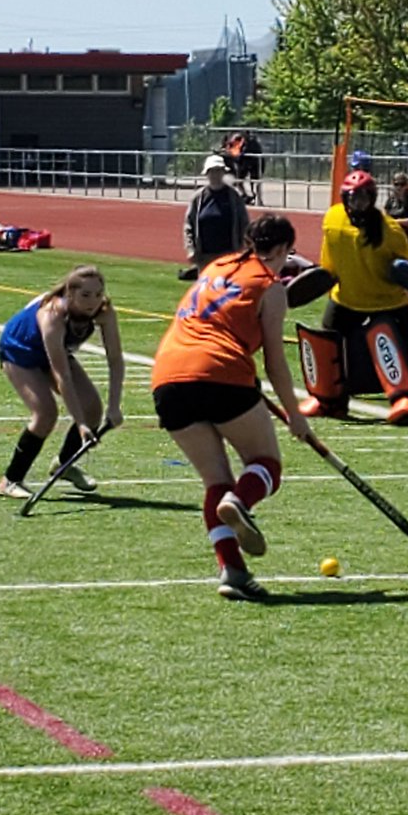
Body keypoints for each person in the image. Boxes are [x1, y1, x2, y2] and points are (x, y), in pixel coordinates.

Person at [151, 214, 311, 601]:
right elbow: (275, 359)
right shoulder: (271, 286)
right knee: (266, 463)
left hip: (167, 377)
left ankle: (232, 571)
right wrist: (295, 415)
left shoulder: (216, 265)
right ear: (285, 250)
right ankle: (239, 502)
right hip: (220, 372)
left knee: (215, 481)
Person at [300, 170, 408, 425]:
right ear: (344, 198)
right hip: (346, 298)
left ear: (372, 199)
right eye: (352, 197)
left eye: (362, 197)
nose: (357, 202)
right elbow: (329, 260)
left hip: (387, 302)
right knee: (326, 342)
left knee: (395, 350)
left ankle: (407, 399)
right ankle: (329, 399)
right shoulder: (332, 219)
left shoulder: (389, 229)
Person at [0, 265, 125, 500]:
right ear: (70, 292)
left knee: (92, 408)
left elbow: (115, 360)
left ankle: (64, 465)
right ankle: (10, 480)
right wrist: (80, 424)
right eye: (85, 295)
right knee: (45, 413)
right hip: (20, 351)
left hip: (53, 353)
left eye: (98, 294)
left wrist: (114, 406)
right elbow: (61, 374)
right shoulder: (53, 314)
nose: (93, 302)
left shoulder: (105, 312)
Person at [180, 154, 249, 281]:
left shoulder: (234, 197)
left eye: (218, 171)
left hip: (229, 255)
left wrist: (242, 248)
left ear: (223, 172)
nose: (215, 175)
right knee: (206, 292)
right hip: (204, 256)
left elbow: (244, 223)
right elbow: (188, 226)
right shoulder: (198, 198)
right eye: (212, 171)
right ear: (207, 174)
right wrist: (190, 249)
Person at [384, 171, 408, 249]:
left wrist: (395, 222)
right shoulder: (391, 200)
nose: (399, 187)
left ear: (406, 185)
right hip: (393, 234)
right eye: (396, 184)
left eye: (402, 184)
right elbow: (385, 217)